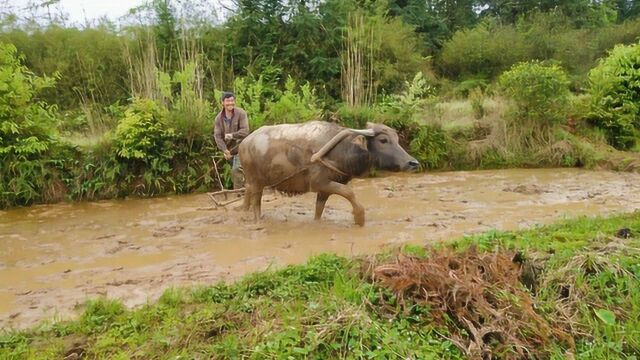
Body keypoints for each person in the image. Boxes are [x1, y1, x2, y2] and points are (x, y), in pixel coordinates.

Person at [214, 92, 249, 189]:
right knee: (240, 172)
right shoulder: (218, 119)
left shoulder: (241, 113)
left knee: (236, 169)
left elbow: (245, 131)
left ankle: (238, 194)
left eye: (232, 100)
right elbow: (217, 137)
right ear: (222, 103)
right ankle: (246, 190)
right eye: (228, 101)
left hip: (243, 147)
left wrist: (231, 135)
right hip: (230, 150)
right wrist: (225, 150)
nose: (230, 103)